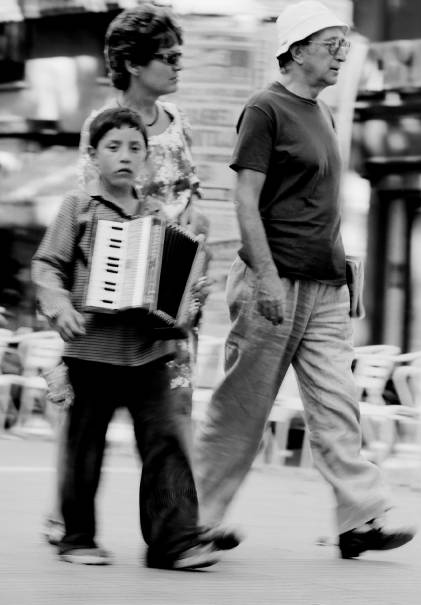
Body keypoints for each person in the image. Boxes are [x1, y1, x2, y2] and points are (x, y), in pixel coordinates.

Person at [192, 0, 415, 559]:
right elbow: (245, 200)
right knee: (242, 409)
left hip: (323, 287)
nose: (341, 54)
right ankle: (195, 519)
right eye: (330, 45)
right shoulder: (264, 109)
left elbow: (321, 205)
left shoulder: (324, 113)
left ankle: (360, 518)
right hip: (274, 283)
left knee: (339, 403)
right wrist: (264, 276)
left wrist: (345, 269)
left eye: (344, 45)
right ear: (295, 49)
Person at [41, 3, 210, 547]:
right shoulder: (104, 128)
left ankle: (175, 528)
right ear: (135, 63)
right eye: (169, 56)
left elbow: (193, 192)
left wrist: (196, 235)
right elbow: (83, 217)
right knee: (88, 424)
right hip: (113, 291)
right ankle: (69, 520)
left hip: (171, 291)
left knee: (169, 412)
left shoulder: (179, 121)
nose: (178, 65)